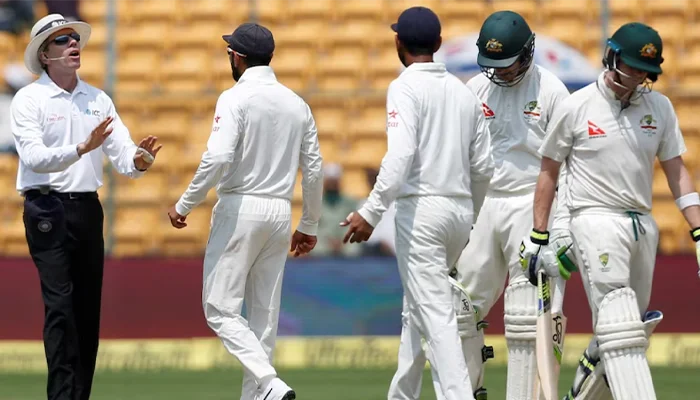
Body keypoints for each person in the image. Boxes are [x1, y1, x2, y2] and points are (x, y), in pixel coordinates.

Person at [385, 11, 577, 400]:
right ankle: (466, 392)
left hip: (531, 205)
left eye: (508, 66)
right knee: (460, 309)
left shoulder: (553, 92)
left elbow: (568, 166)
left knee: (530, 312)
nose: (501, 74)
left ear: (528, 53)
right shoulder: (475, 90)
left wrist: (559, 229)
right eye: (494, 67)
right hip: (484, 204)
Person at [520, 22, 700, 400]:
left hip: (641, 223)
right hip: (594, 219)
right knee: (619, 322)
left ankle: (581, 384)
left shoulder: (659, 107)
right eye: (631, 67)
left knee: (629, 325)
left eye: (644, 72)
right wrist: (540, 234)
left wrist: (698, 230)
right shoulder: (577, 106)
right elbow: (548, 173)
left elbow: (677, 172)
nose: (636, 78)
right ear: (612, 56)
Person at [341, 7, 494, 400]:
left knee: (437, 317)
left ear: (397, 43)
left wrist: (370, 212)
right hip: (459, 211)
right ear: (439, 44)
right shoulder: (463, 92)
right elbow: (483, 168)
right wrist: (470, 216)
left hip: (422, 213)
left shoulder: (404, 86)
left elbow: (400, 155)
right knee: (418, 309)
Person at [167, 22, 323, 400]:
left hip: (241, 207)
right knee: (263, 318)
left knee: (218, 308)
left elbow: (218, 156)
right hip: (280, 212)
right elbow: (314, 167)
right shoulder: (296, 102)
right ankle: (260, 395)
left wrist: (184, 203)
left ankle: (269, 383)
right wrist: (309, 224)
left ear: (236, 56)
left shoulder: (234, 98)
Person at [13, 13, 161, 400]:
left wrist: (141, 160)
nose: (73, 44)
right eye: (62, 41)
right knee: (60, 308)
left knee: (85, 311)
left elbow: (125, 155)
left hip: (86, 209)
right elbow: (34, 157)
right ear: (44, 55)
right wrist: (81, 148)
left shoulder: (98, 99)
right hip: (46, 209)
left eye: (74, 38)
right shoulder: (30, 99)